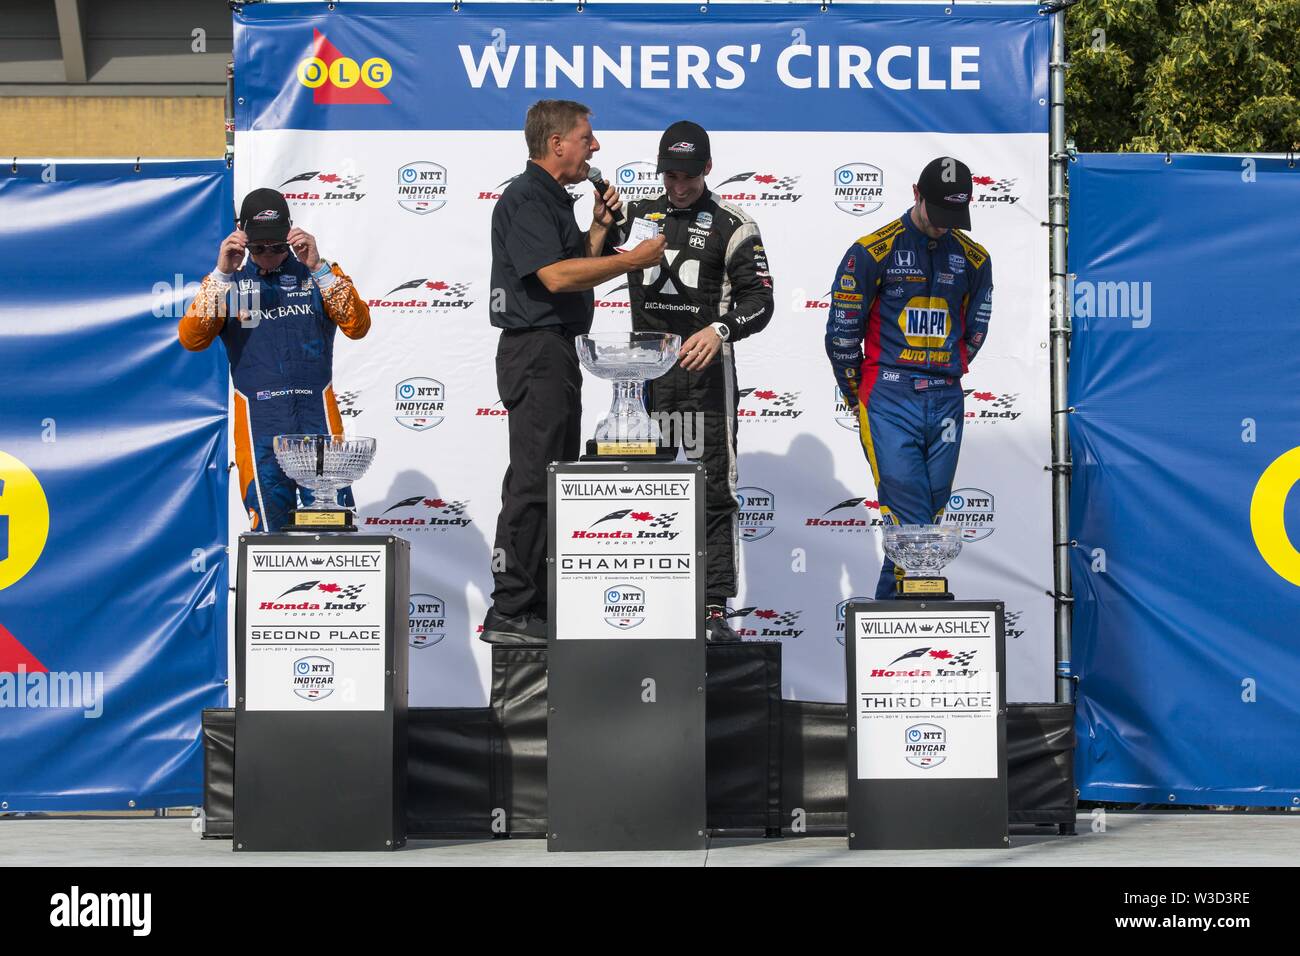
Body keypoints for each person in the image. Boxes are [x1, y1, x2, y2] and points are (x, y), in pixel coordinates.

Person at [483, 99, 667, 645]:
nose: (596, 146)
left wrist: (600, 228)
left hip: (555, 349)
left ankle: (534, 605)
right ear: (556, 143)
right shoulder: (524, 198)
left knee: (550, 477)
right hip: (535, 348)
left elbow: (575, 263)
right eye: (587, 137)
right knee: (534, 481)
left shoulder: (553, 200)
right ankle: (511, 609)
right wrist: (633, 259)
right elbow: (559, 278)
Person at [622, 120, 774, 642]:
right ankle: (648, 594)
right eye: (670, 174)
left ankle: (712, 605)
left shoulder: (735, 223)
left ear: (708, 169)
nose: (678, 184)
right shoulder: (638, 214)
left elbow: (761, 303)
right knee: (644, 489)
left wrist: (720, 329)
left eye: (688, 174)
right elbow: (592, 258)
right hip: (643, 374)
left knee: (712, 487)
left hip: (705, 374)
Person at [825, 156, 993, 599]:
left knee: (930, 511)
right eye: (938, 215)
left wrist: (944, 368)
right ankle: (920, 601)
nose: (944, 226)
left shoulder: (975, 259)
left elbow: (976, 329)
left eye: (953, 217)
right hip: (888, 395)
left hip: (945, 396)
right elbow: (842, 332)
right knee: (907, 510)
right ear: (917, 194)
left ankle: (892, 617)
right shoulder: (872, 251)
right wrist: (858, 392)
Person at [179, 187, 370, 533]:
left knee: (334, 529)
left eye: (278, 246)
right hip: (259, 428)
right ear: (243, 240)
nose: (268, 254)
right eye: (260, 247)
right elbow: (191, 339)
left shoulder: (317, 275)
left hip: (317, 424)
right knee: (268, 533)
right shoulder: (227, 283)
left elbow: (358, 326)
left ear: (291, 236)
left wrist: (318, 266)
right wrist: (221, 274)